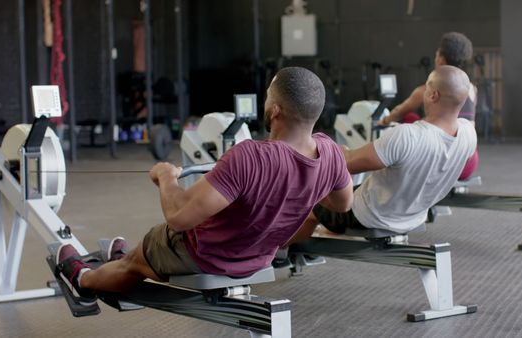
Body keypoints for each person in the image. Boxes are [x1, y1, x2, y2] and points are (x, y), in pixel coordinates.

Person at [56, 67, 354, 306]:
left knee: (141, 256)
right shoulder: (330, 153)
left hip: (206, 256)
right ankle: (126, 258)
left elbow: (179, 216)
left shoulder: (250, 156)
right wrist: (303, 188)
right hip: (258, 258)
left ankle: (82, 280)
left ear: (275, 111)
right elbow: (342, 204)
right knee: (146, 251)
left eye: (266, 98)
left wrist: (165, 177)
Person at [288, 65, 477, 242]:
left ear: (434, 95)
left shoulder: (408, 135)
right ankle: (323, 235)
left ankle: (280, 252)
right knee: (348, 191)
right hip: (413, 216)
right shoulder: (468, 133)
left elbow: (344, 164)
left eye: (426, 88)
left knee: (308, 202)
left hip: (370, 215)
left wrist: (312, 147)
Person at [379, 32, 478, 180]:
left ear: (441, 60)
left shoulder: (427, 91)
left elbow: (399, 112)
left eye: (436, 54)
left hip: (443, 163)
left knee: (409, 117)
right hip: (469, 163)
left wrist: (384, 121)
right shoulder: (472, 89)